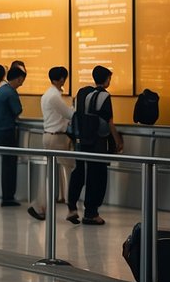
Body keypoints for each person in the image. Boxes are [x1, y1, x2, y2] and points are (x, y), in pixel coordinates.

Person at [66, 65, 123, 225]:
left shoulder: (84, 93)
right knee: (97, 176)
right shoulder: (105, 96)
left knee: (80, 172)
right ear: (106, 79)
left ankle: (73, 207)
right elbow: (110, 122)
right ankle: (91, 213)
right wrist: (117, 140)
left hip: (83, 141)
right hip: (98, 142)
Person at [35, 66, 74, 221]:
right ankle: (70, 205)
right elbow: (69, 114)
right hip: (57, 138)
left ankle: (43, 205)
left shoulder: (48, 94)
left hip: (49, 136)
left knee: (52, 173)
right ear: (62, 79)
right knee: (70, 170)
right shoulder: (54, 96)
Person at [0, 66, 25, 207]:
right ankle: (8, 197)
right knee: (9, 165)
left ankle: (5, 195)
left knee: (4, 164)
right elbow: (17, 110)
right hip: (7, 131)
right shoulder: (11, 93)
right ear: (19, 78)